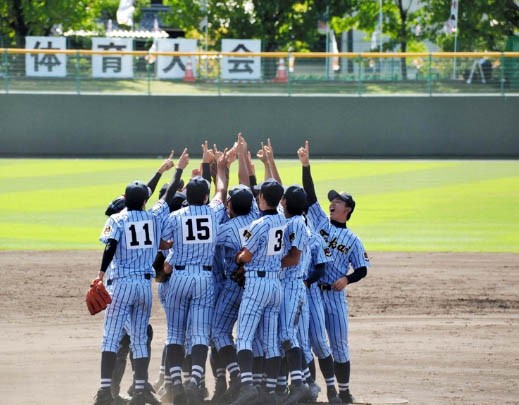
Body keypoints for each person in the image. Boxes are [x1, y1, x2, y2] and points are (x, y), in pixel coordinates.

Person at [92, 150, 189, 405]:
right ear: (145, 200)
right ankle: (140, 388)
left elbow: (110, 246)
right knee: (139, 337)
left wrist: (100, 274)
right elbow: (166, 199)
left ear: (126, 200)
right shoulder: (153, 217)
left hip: (121, 284)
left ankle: (104, 391)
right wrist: (176, 170)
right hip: (143, 287)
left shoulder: (117, 218)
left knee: (111, 336)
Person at [297, 141, 371, 404]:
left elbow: (362, 268)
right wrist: (306, 165)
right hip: (316, 292)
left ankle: (344, 391)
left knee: (340, 346)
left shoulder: (353, 239)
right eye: (333, 200)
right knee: (317, 343)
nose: (332, 203)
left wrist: (347, 279)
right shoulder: (318, 221)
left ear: (347, 210)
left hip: (335, 296)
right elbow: (310, 193)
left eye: (337, 201)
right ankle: (322, 389)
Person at [161, 151, 230, 405]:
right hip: (204, 279)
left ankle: (176, 382)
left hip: (178, 277)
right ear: (204, 196)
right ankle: (195, 382)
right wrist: (219, 169)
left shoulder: (175, 216)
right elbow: (221, 191)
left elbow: (162, 243)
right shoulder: (213, 212)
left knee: (175, 334)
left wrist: (171, 244)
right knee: (201, 334)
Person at [231, 178, 287, 405]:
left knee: (243, 337)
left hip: (257, 284)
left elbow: (246, 256)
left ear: (262, 198)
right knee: (270, 341)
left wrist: (238, 257)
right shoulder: (283, 219)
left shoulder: (258, 224)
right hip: (276, 285)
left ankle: (247, 386)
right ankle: (270, 392)